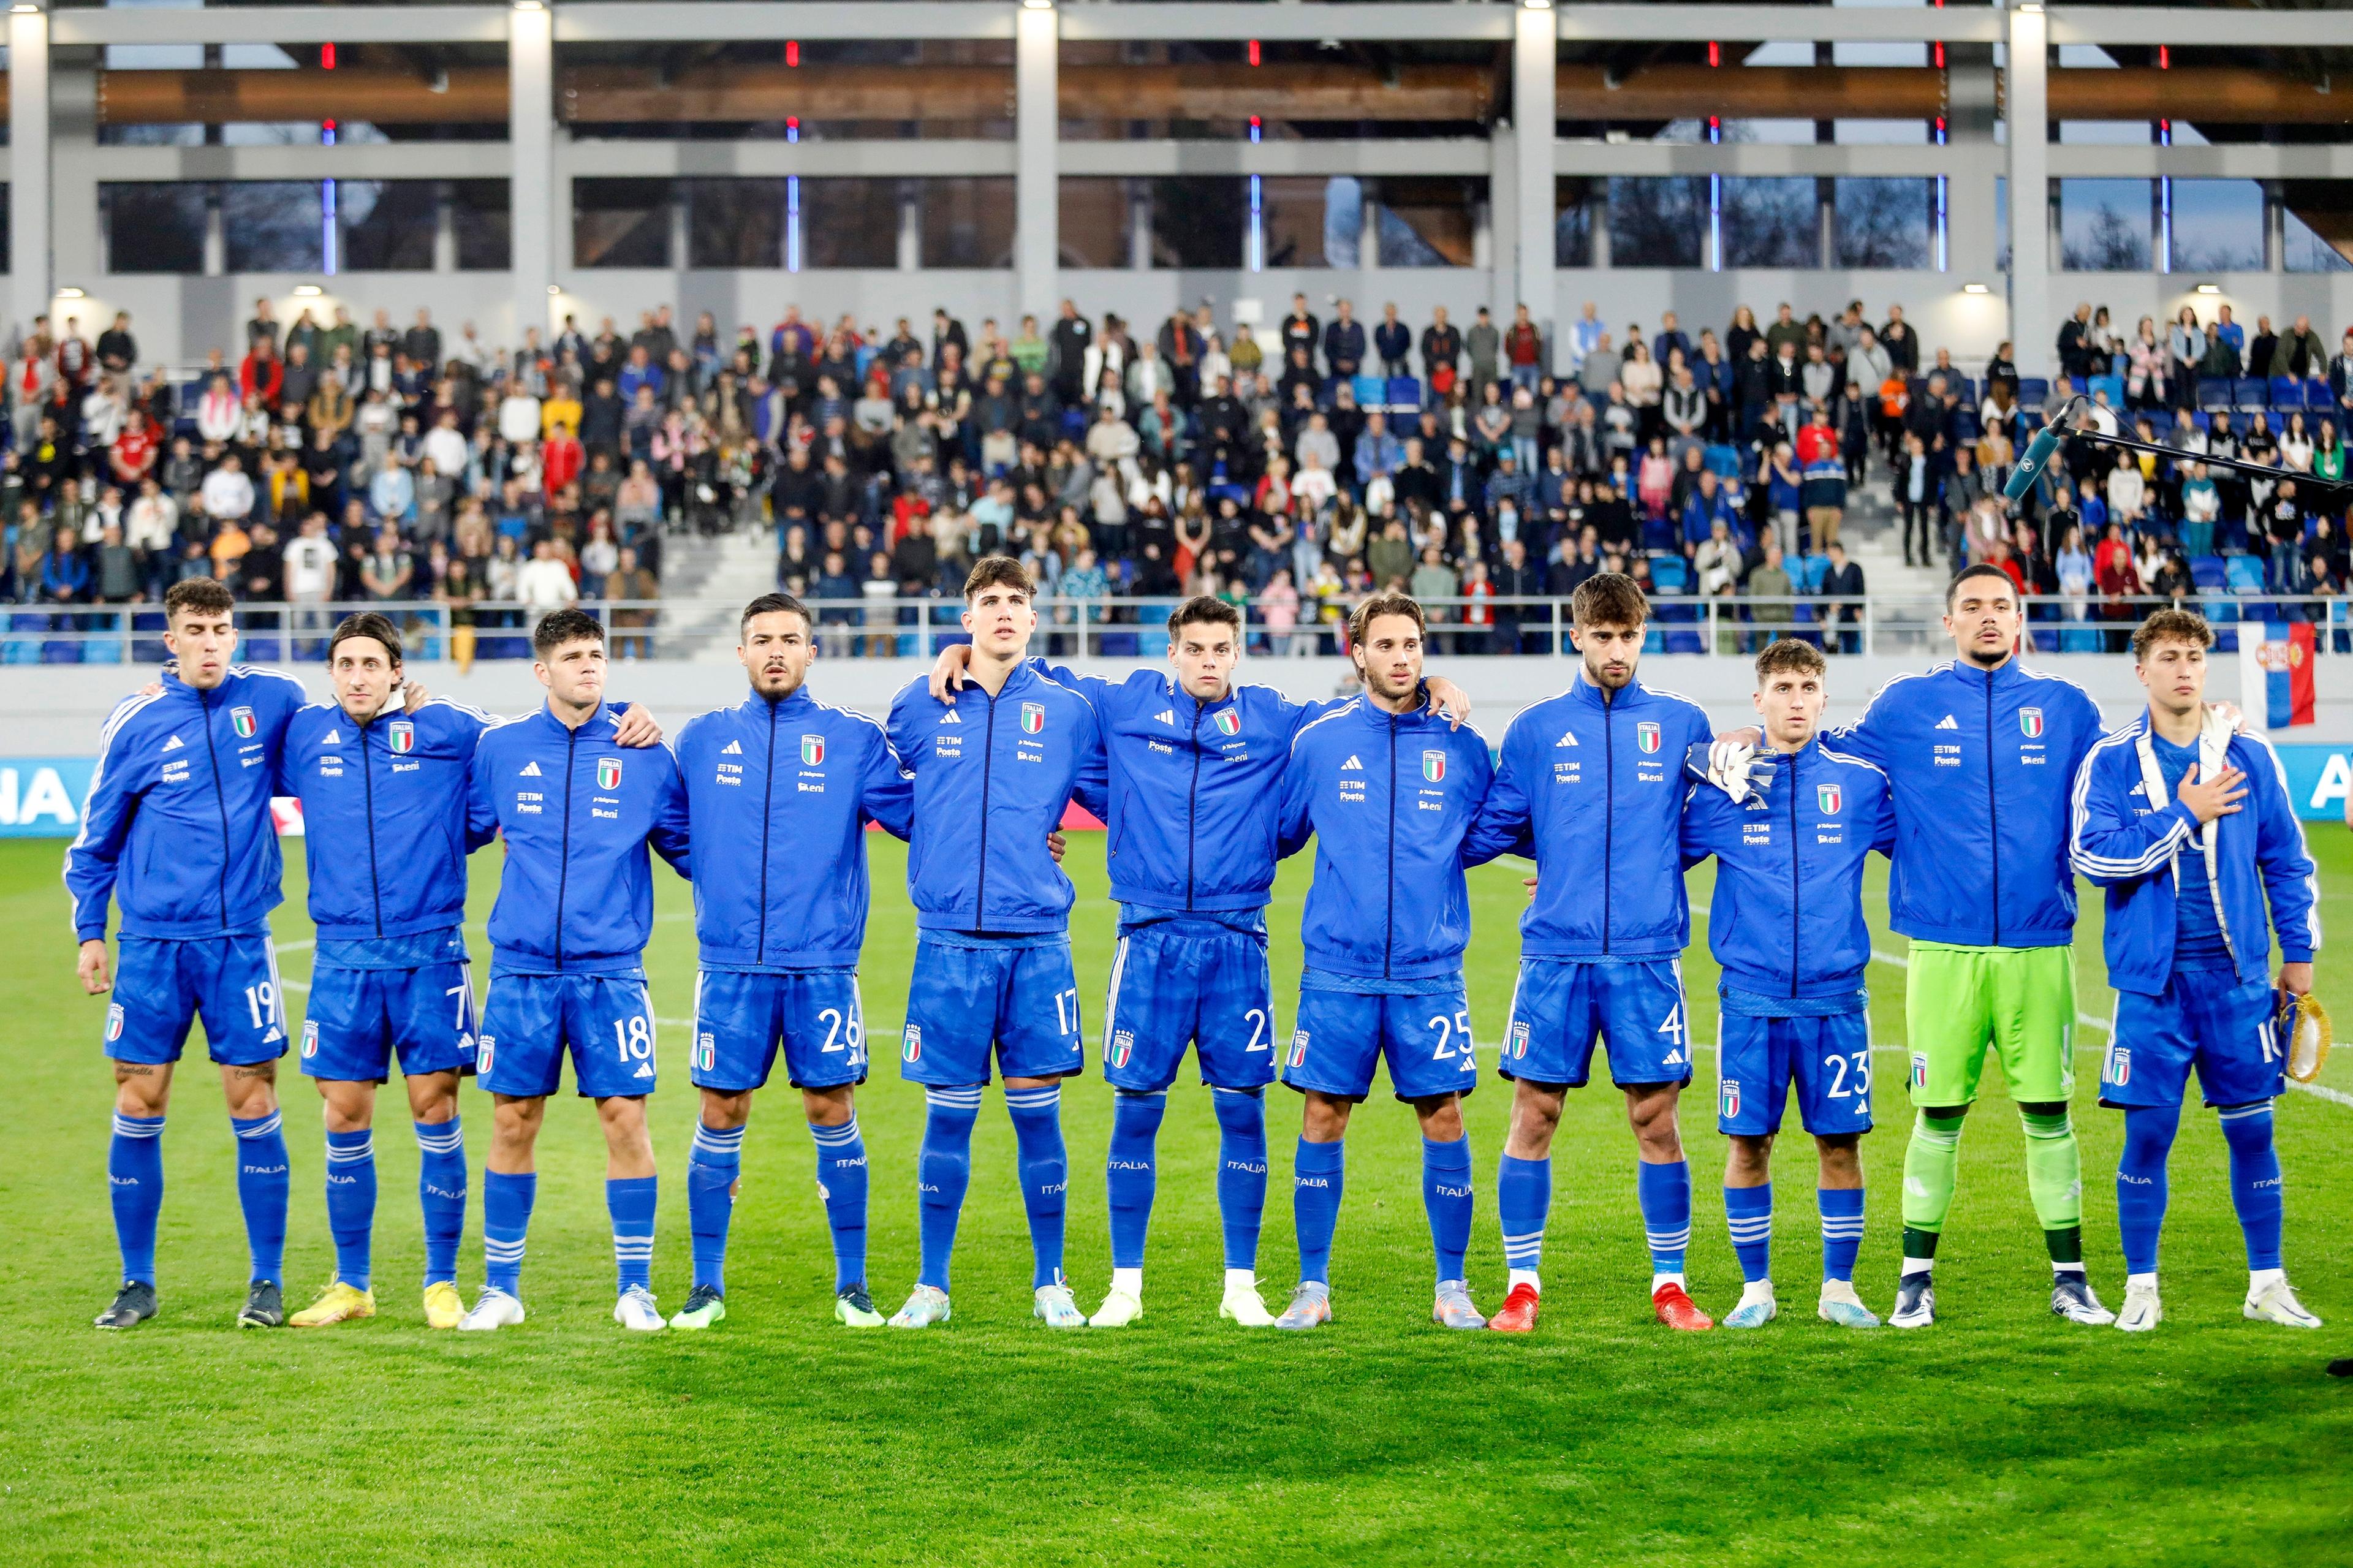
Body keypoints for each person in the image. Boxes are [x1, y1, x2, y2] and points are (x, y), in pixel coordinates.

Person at [922, 597, 1468, 1327]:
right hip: (1146, 939)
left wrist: (1433, 690)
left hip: (1237, 940)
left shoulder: (1278, 718)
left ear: (1237, 653)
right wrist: (963, 655)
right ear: (1171, 652)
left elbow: (1368, 708)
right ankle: (1125, 1287)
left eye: (1222, 649)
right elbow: (1032, 672)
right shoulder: (1122, 703)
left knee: (1242, 1112)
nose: (1209, 661)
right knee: (1136, 1112)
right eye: (1196, 649)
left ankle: (1241, 1286)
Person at [1711, 564, 2111, 1328]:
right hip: (1940, 949)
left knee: (2050, 1112)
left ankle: (2072, 1279)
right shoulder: (1906, 707)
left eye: (2001, 606)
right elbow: (1821, 752)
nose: (1988, 618)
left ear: (2020, 618)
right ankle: (1913, 1281)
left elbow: (2120, 782)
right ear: (1949, 621)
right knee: (1938, 1114)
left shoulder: (2067, 709)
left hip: (2039, 942)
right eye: (1973, 607)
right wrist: (1740, 736)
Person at [269, 614, 651, 1326]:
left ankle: (441, 1282)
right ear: (330, 673)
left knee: (437, 1110)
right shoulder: (299, 735)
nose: (358, 677)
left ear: (396, 671)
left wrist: (629, 712)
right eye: (345, 664)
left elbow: (541, 731)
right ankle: (350, 1284)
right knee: (343, 1114)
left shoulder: (451, 727)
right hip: (343, 956)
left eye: (371, 664)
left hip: (431, 950)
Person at [1468, 572, 1719, 1335]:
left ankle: (1670, 1285)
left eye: (1630, 636)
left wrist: (1642, 869)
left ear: (1644, 637)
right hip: (1556, 956)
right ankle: (1521, 1287)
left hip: (1647, 956)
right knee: (1534, 1113)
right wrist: (1564, 865)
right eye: (1603, 636)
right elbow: (1498, 823)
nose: (1617, 650)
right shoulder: (1538, 729)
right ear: (1575, 635)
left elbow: (1706, 825)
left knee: (1656, 1120)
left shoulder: (1682, 723)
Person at [66, 579, 319, 1330]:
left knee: (255, 1099)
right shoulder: (136, 720)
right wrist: (89, 932)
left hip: (239, 943)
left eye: (222, 628)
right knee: (139, 1101)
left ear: (235, 634)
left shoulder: (274, 700)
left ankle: (266, 1283)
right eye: (195, 630)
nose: (211, 642)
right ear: (169, 640)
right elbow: (95, 840)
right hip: (150, 948)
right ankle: (136, 1284)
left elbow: (341, 736)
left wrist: (408, 693)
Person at [2068, 609, 2322, 1333]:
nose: (2184, 669)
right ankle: (2142, 1287)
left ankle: (2267, 1283)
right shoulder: (2111, 762)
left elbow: (2285, 860)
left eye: (2195, 658)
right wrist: (2182, 814)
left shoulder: (2250, 755)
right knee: (2148, 1136)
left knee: (2253, 1134)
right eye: (2170, 657)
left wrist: (2297, 960)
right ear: (2142, 671)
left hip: (2240, 983)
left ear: (2207, 670)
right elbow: (2093, 858)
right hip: (2152, 987)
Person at [668, 595, 915, 1330]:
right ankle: (706, 1285)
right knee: (721, 1110)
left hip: (823, 966)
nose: (776, 651)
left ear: (813, 653)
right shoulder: (703, 739)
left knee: (830, 1108)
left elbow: (924, 817)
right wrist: (719, 879)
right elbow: (672, 828)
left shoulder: (853, 740)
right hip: (732, 964)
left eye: (790, 640)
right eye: (761, 640)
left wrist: (1035, 836)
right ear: (741, 654)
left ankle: (853, 1285)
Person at [882, 558, 1108, 1330]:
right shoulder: (919, 703)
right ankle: (931, 1286)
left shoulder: (1070, 711)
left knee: (1038, 1118)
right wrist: (953, 839)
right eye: (990, 602)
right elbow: (878, 789)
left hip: (1038, 941)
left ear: (1034, 618)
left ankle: (1051, 1282)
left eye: (1017, 601)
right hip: (948, 945)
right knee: (946, 1118)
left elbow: (1132, 791)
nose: (1004, 612)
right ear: (966, 616)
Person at [1270, 593, 1504, 1331]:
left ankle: (1453, 1286)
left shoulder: (1463, 744)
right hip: (1338, 969)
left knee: (1444, 1115)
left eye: (1412, 645)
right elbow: (1278, 833)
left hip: (1430, 971)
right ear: (1358, 654)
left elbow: (1503, 825)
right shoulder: (1321, 740)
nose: (1402, 657)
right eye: (1387, 645)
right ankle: (1311, 1287)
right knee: (1322, 1115)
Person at [456, 608, 691, 1333]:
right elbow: (457, 828)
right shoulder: (499, 749)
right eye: (574, 658)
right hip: (522, 975)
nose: (589, 668)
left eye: (597, 656)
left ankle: (636, 1289)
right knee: (512, 1121)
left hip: (611, 973)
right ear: (542, 671)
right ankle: (501, 1290)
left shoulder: (645, 752)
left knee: (626, 1122)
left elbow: (695, 851)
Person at [1681, 640, 1895, 1330]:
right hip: (1751, 1000)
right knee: (1750, 1145)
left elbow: (1932, 842)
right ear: (1759, 700)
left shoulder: (1861, 785)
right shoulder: (1725, 787)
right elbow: (1652, 856)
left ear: (1824, 699)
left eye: (1807, 687)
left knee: (1841, 1145)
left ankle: (1839, 1289)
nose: (1795, 700)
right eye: (1782, 688)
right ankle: (1756, 1290)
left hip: (1837, 1002)